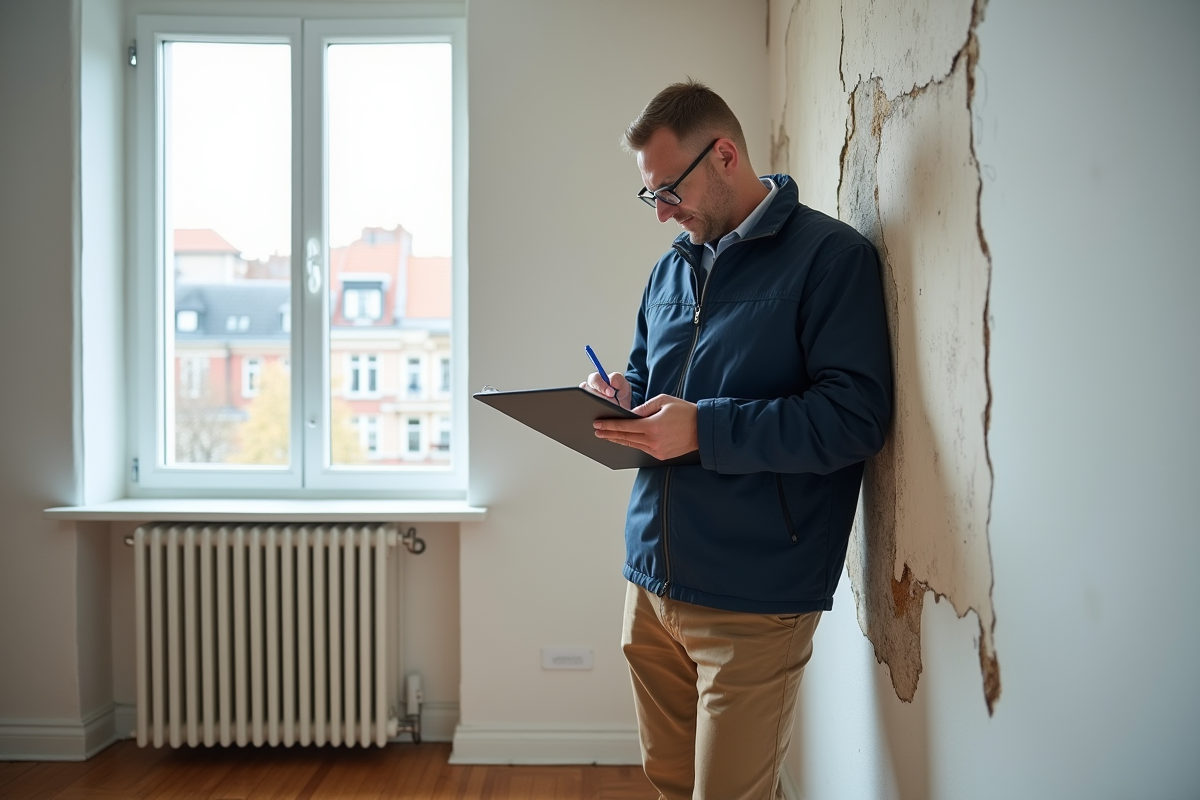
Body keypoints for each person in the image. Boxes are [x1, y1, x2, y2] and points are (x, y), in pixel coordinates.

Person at [581, 80, 893, 799]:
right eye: (649, 195)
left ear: (724, 154)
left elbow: (855, 417)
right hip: (651, 579)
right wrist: (618, 398)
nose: (661, 213)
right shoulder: (670, 270)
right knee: (670, 780)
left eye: (668, 190)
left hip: (753, 598)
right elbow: (644, 375)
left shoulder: (831, 258)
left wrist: (704, 426)